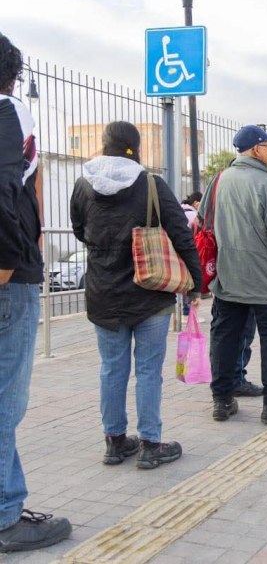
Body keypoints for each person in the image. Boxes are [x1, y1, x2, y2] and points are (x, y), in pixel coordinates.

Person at [71, 121, 202, 469]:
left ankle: (114, 442)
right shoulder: (152, 185)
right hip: (150, 294)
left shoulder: (83, 186)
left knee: (111, 369)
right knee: (147, 371)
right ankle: (149, 443)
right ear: (137, 146)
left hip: (103, 293)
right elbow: (181, 234)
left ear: (104, 145)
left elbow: (79, 230)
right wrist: (195, 283)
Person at [0, 32, 72, 553]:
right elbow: (5, 190)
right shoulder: (8, 112)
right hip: (9, 280)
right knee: (5, 403)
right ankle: (5, 518)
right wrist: (6, 265)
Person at [199, 124, 267, 425]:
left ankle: (222, 400)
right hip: (265, 280)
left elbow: (205, 222)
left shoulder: (219, 180)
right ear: (257, 150)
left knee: (224, 336)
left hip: (228, 276)